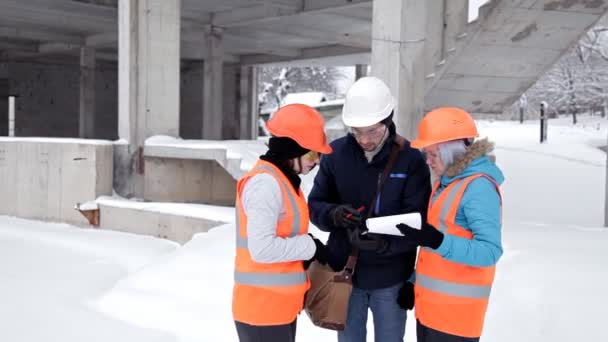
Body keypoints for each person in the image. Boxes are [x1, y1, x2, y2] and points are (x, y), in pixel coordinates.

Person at [308, 76, 431, 342]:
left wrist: (384, 245)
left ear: (387, 120)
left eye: (372, 131)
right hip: (344, 276)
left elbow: (418, 221)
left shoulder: (411, 160)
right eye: (356, 131)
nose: (363, 139)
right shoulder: (335, 154)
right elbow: (315, 205)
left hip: (391, 278)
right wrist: (333, 214)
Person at [395, 107, 504, 342]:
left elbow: (489, 252)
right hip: (430, 313)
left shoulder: (478, 187)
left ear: (451, 151)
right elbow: (436, 244)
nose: (428, 161)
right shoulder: (445, 184)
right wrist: (415, 282)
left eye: (433, 154)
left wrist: (437, 240)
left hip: (456, 320)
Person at [232, 104, 332, 342]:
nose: (316, 161)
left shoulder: (283, 181)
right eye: (311, 154)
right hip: (262, 310)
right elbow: (262, 249)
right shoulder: (265, 184)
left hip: (277, 308)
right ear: (291, 149)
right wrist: (310, 246)